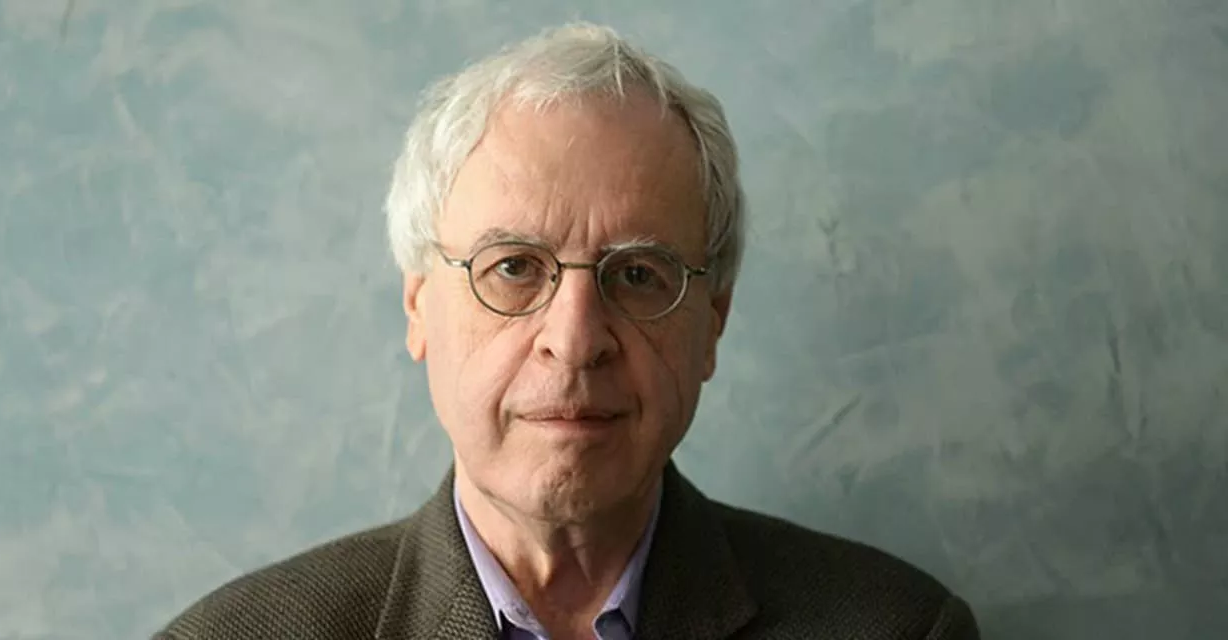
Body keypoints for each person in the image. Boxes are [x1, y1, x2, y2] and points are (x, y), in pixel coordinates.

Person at [155, 22, 980, 640]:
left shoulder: (896, 629)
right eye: (513, 267)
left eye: (639, 274)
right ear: (419, 308)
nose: (576, 339)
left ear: (712, 324)